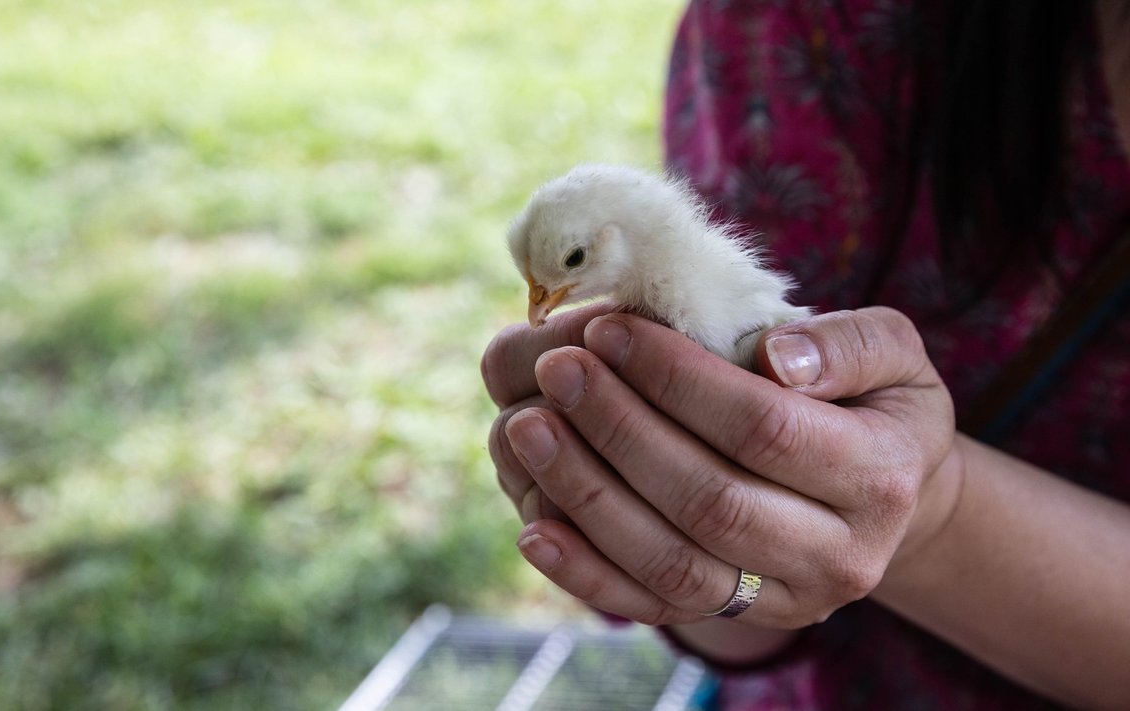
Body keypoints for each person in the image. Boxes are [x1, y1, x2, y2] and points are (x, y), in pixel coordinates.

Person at [482, 0, 1130, 708]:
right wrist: (708, 570)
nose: (541, 303)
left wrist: (931, 511)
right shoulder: (796, 25)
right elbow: (735, 606)